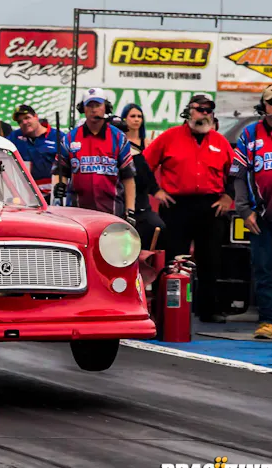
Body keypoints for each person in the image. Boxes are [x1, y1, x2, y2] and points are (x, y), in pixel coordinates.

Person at [143, 94, 235, 323]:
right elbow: (143, 165)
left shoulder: (220, 142)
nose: (204, 114)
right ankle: (168, 310)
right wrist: (156, 190)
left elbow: (235, 173)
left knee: (210, 260)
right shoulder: (170, 137)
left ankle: (208, 310)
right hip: (177, 206)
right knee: (174, 260)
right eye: (199, 109)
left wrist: (228, 197)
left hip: (210, 206)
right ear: (188, 112)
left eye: (208, 110)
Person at [230, 83, 272, 338]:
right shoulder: (250, 134)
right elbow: (238, 174)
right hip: (261, 215)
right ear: (263, 107)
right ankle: (267, 321)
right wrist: (243, 210)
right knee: (263, 269)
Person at [52, 88, 137, 225]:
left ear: (106, 108)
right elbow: (60, 170)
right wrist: (59, 185)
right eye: (89, 106)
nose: (94, 110)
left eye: (97, 105)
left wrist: (130, 210)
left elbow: (128, 177)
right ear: (83, 109)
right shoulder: (69, 138)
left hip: (112, 212)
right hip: (77, 213)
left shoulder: (119, 138)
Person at [120, 103, 165, 250]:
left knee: (158, 226)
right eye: (132, 116)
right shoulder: (121, 144)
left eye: (139, 116)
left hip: (144, 193)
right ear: (124, 119)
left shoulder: (149, 144)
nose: (136, 119)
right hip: (127, 190)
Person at [7, 104, 64, 201]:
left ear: (36, 117)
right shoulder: (15, 137)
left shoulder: (58, 136)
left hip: (53, 194)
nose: (24, 122)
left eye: (27, 118)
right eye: (20, 121)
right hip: (26, 194)